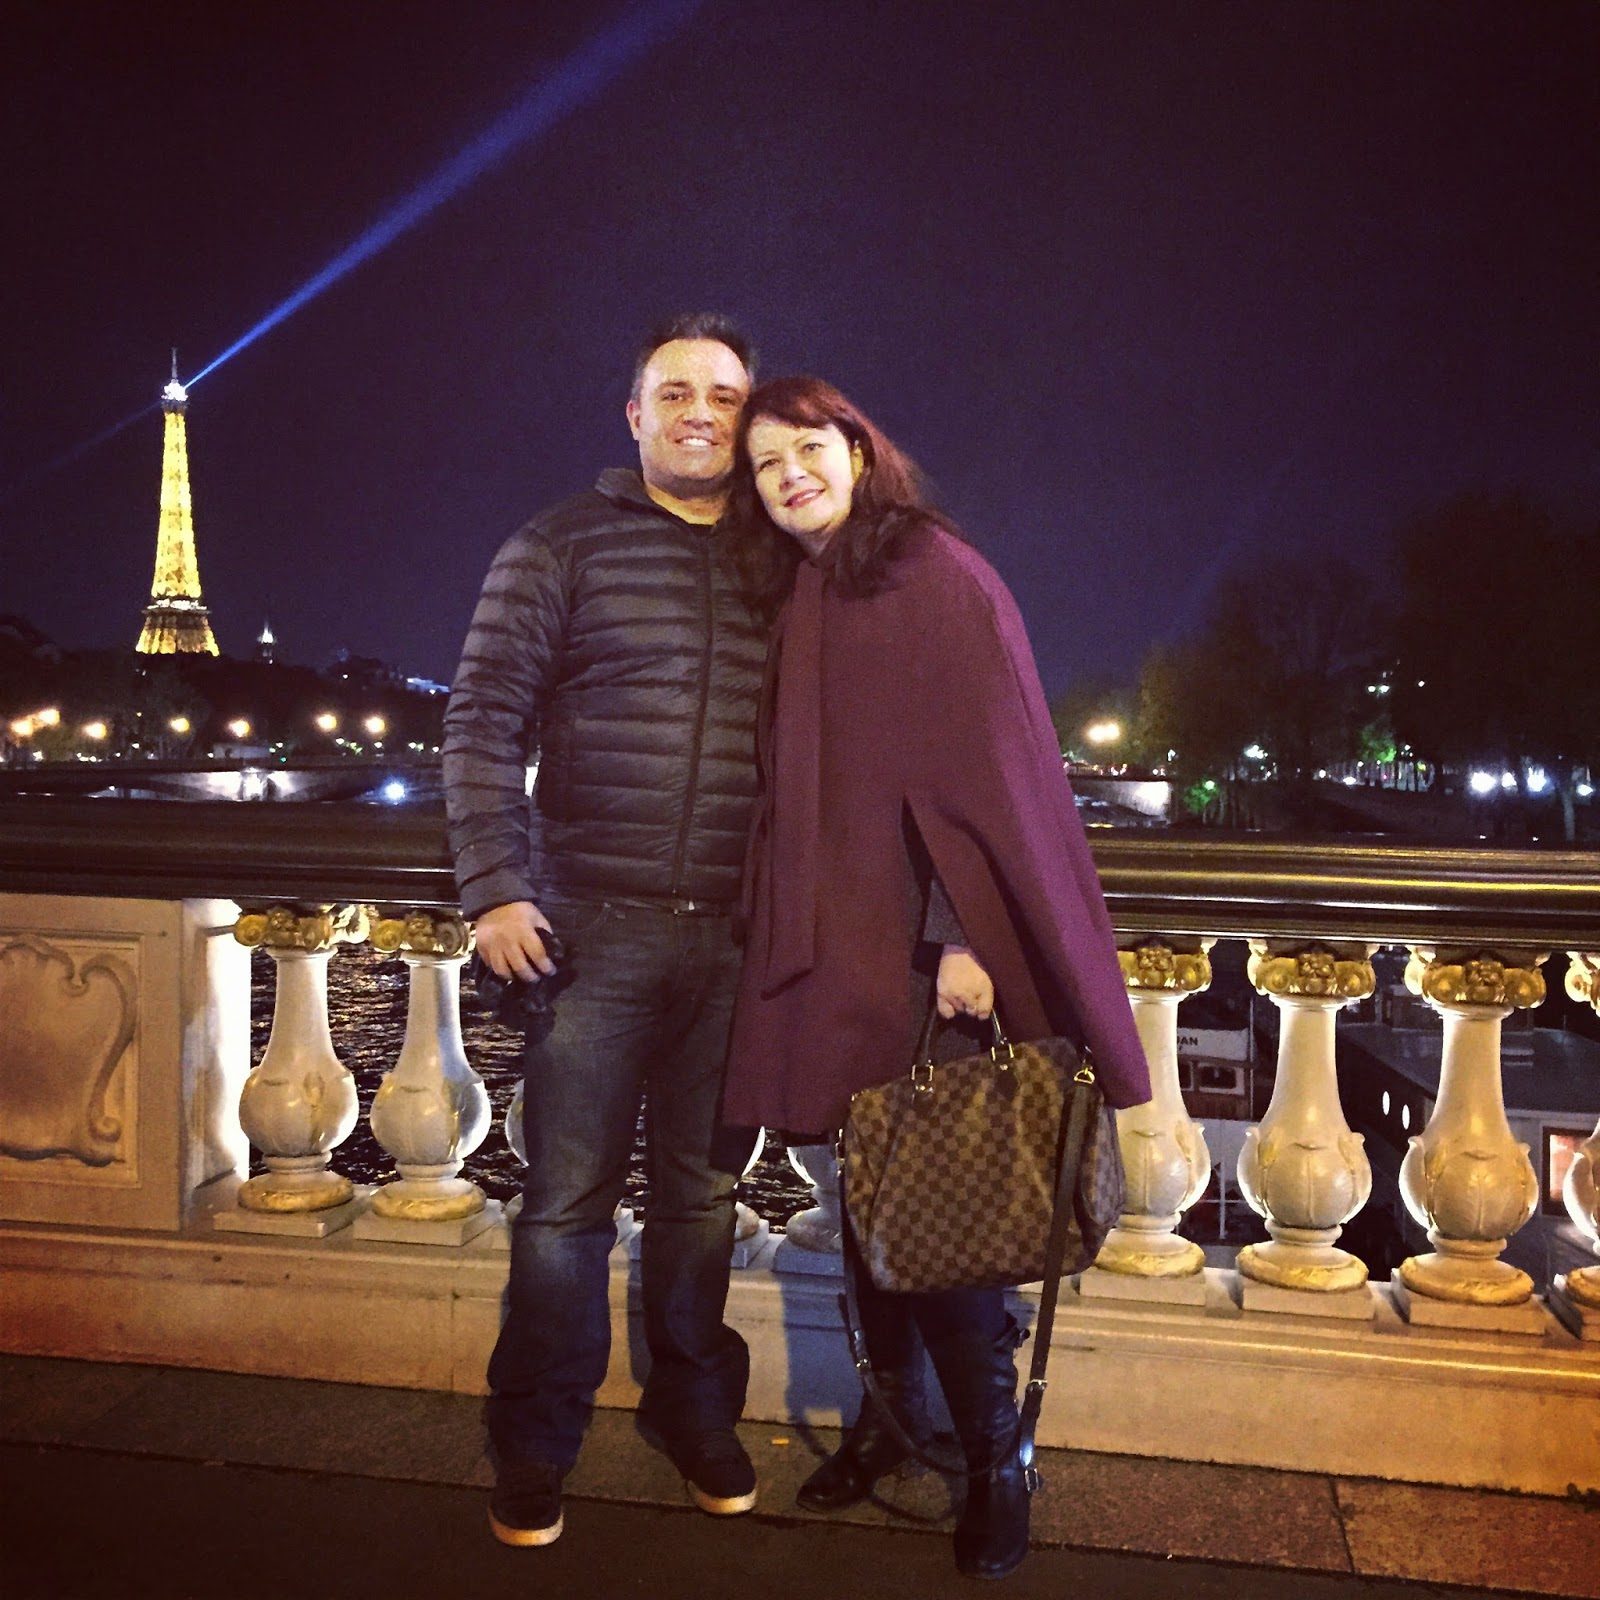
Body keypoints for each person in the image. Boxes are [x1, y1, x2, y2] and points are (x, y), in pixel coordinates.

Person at [720, 376, 1153, 1581]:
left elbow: (987, 772)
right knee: (873, 1212)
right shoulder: (819, 583)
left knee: (948, 1233)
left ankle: (996, 1461)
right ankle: (889, 1422)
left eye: (809, 448)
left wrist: (970, 934)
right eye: (767, 464)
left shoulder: (930, 573)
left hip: (922, 960)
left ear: (858, 450)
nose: (790, 475)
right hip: (845, 950)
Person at [443, 313, 768, 1548]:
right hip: (588, 934)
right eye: (674, 392)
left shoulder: (783, 560)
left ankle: (694, 1407)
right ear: (633, 416)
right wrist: (494, 884)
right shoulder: (558, 544)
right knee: (563, 1206)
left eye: (724, 395)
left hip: (735, 938)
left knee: (703, 1198)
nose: (700, 412)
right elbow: (482, 718)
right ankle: (535, 1436)